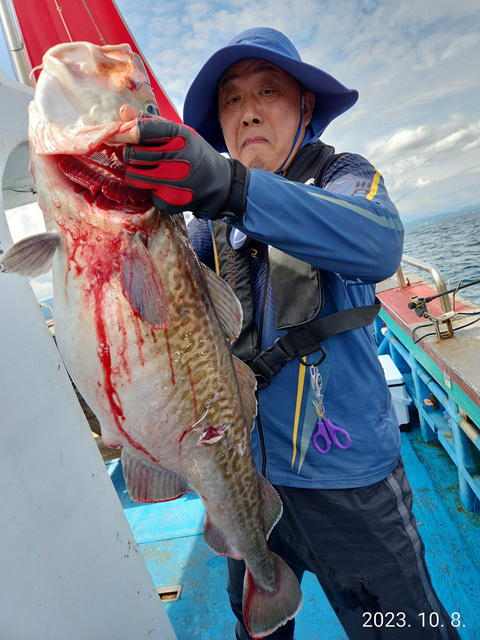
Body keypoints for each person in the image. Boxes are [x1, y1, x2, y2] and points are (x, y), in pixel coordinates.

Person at [118, 27, 460, 640]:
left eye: (267, 91)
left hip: (350, 482)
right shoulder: (207, 229)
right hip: (245, 480)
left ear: (305, 106)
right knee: (254, 623)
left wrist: (229, 186)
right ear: (220, 126)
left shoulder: (345, 176)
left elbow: (378, 242)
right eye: (231, 99)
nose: (247, 111)